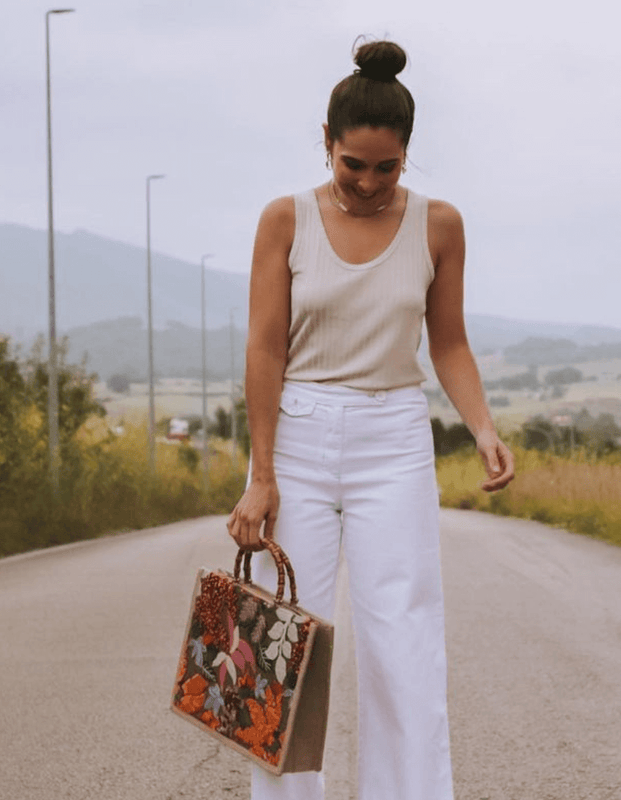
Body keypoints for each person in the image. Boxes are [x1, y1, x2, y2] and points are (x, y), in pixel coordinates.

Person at [227, 38, 515, 800]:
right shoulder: (284, 221)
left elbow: (446, 341)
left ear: (406, 157)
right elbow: (263, 351)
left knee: (404, 644)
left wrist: (482, 427)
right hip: (299, 434)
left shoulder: (440, 225)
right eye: (352, 163)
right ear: (326, 142)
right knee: (284, 646)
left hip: (394, 439)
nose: (366, 181)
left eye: (386, 168)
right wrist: (263, 476)